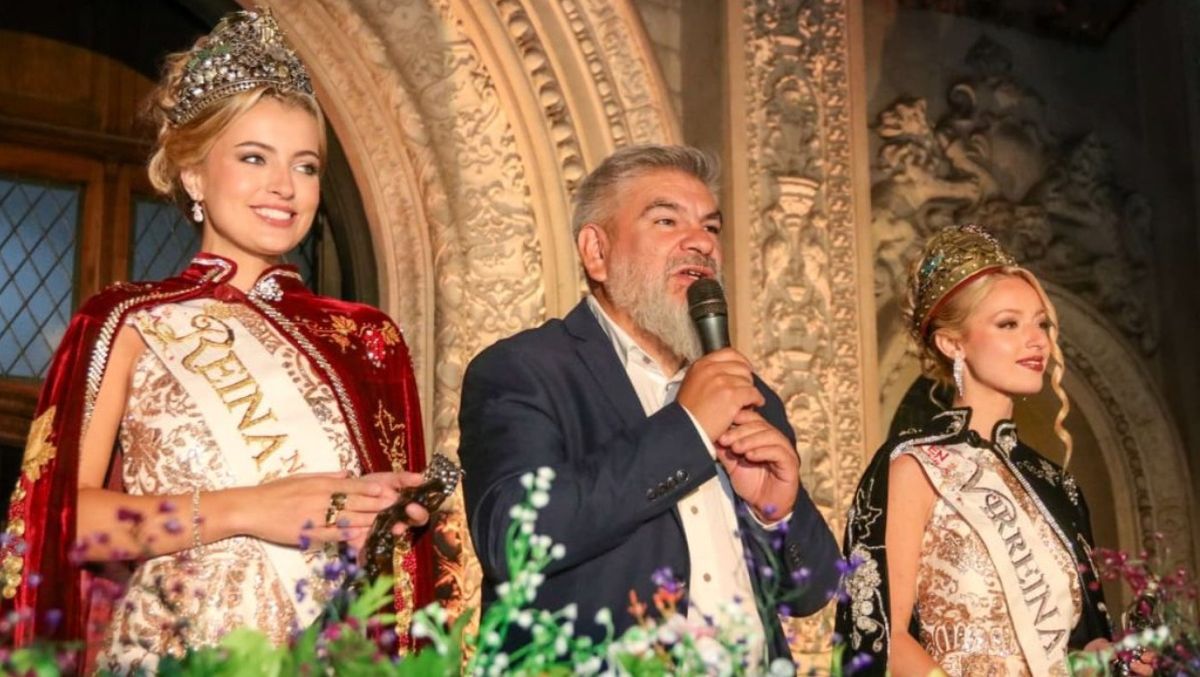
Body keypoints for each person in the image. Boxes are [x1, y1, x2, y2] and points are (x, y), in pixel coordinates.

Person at [0, 9, 434, 671]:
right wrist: (252, 508)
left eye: (307, 166)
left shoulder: (368, 341)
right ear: (195, 175)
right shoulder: (126, 320)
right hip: (173, 650)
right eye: (254, 157)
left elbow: (394, 576)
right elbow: (69, 522)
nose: (284, 186)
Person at [458, 144, 841, 669]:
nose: (700, 243)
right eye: (666, 220)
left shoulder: (744, 391)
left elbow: (812, 591)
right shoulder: (526, 370)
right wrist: (686, 430)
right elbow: (515, 540)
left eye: (711, 227)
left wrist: (775, 512)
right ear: (596, 251)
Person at [834, 224, 1128, 676]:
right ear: (952, 343)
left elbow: (1079, 645)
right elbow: (880, 637)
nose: (1037, 341)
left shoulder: (1056, 486)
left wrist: (1113, 661)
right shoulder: (914, 466)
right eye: (1008, 323)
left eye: (1041, 324)